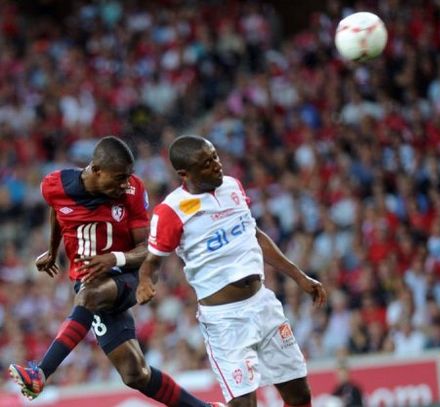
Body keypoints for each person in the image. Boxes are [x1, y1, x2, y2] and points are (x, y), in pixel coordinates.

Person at [9, 136, 223, 407]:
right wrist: (53, 250)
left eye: (128, 177)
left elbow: (149, 248)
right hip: (90, 281)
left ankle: (40, 373)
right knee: (135, 374)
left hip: (130, 274)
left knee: (90, 296)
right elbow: (57, 208)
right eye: (119, 178)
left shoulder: (132, 191)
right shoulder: (55, 185)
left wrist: (115, 258)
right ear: (96, 171)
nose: (125, 184)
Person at [136, 135, 327, 407]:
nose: (216, 166)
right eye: (206, 163)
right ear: (184, 173)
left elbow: (256, 235)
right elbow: (152, 262)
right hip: (224, 321)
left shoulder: (231, 186)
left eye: (215, 157)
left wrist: (299, 276)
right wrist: (145, 282)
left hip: (263, 304)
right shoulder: (170, 211)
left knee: (300, 396)